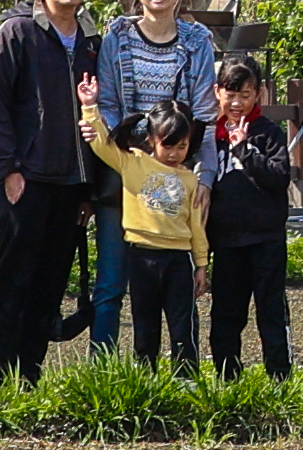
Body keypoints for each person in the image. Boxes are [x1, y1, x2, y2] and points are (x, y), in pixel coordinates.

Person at [0, 0, 101, 384]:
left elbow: (96, 115)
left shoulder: (91, 37)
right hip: (26, 178)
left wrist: (90, 188)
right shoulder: (17, 32)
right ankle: (0, 379)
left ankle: (29, 376)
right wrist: (6, 169)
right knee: (14, 280)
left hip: (72, 184)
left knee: (50, 284)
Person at [91, 0, 220, 362]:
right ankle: (105, 371)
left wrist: (205, 174)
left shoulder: (198, 41)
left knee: (178, 285)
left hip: (179, 173)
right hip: (127, 170)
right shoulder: (118, 35)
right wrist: (137, 150)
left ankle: (184, 373)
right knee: (112, 280)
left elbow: (205, 112)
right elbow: (108, 102)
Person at [74, 77, 208, 377]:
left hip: (179, 259)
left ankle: (186, 380)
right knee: (144, 323)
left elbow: (196, 225)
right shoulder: (132, 163)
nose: (174, 153)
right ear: (151, 140)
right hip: (141, 256)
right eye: (168, 146)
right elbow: (100, 144)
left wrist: (201, 264)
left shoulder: (189, 179)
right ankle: (146, 379)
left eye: (182, 146)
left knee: (182, 324)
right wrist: (90, 107)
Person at [205, 58, 303, 381]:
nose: (236, 103)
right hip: (226, 243)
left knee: (271, 312)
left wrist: (245, 150)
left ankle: (279, 379)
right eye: (230, 94)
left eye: (245, 94)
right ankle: (227, 378)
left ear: (259, 94)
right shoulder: (209, 136)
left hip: (266, 240)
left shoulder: (268, 133)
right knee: (226, 315)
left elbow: (279, 178)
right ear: (217, 92)